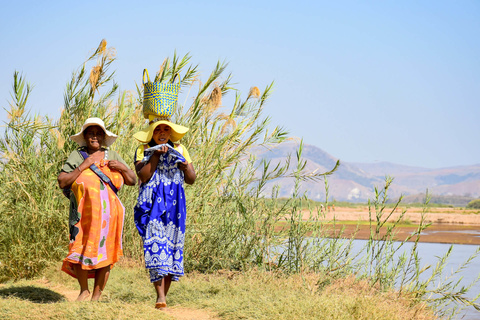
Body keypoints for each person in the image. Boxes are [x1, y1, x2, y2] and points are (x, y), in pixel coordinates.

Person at [57, 117, 136, 301]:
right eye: (91, 133)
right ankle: (84, 290)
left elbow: (132, 180)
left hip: (109, 217)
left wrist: (123, 167)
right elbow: (62, 181)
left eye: (99, 133)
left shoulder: (112, 155)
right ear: (85, 136)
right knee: (80, 247)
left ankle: (97, 296)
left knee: (105, 252)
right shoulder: (77, 156)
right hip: (82, 215)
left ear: (103, 136)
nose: (95, 137)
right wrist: (84, 166)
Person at [133, 117, 196, 309]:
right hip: (152, 205)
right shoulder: (143, 150)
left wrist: (185, 167)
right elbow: (143, 175)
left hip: (174, 206)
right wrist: (156, 156)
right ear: (151, 132)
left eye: (165, 130)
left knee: (171, 247)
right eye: (157, 129)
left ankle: (163, 296)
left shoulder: (180, 149)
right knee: (155, 245)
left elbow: (192, 179)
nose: (162, 133)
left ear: (170, 133)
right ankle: (160, 295)